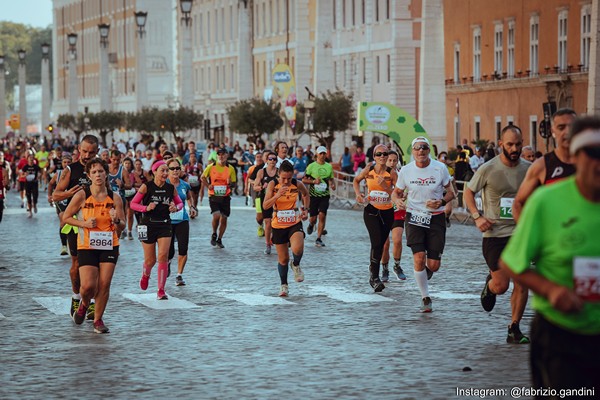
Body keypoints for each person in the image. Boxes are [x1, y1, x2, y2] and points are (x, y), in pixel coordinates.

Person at [499, 115, 600, 391]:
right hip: (560, 334)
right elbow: (511, 262)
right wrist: (551, 290)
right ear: (576, 157)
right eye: (593, 153)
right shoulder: (546, 201)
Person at [463, 125, 531, 343]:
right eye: (510, 144)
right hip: (494, 235)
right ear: (501, 144)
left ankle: (514, 328)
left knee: (522, 282)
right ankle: (490, 286)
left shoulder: (530, 169)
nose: (514, 148)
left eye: (518, 144)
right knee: (501, 286)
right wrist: (477, 216)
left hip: (520, 234)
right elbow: (468, 191)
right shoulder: (488, 168)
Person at [62, 158, 125, 334]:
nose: (98, 175)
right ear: (89, 176)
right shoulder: (82, 195)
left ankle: (98, 320)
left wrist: (116, 220)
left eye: (101, 171)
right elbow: (66, 217)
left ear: (106, 174)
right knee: (88, 286)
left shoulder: (115, 198)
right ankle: (83, 304)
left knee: (104, 284)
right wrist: (84, 224)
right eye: (94, 172)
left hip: (109, 244)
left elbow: (123, 225)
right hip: (87, 245)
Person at [392, 137, 454, 312]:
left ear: (429, 150)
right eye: (417, 148)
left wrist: (441, 201)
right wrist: (398, 201)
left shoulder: (440, 168)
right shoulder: (406, 171)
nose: (421, 151)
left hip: (435, 217)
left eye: (424, 147)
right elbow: (396, 193)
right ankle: (425, 297)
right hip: (414, 217)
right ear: (412, 151)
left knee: (433, 265)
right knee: (418, 257)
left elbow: (452, 192)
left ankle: (424, 273)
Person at [52, 135, 100, 318]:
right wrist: (68, 193)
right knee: (77, 263)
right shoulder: (70, 170)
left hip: (96, 222)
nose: (87, 155)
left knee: (95, 264)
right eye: (84, 151)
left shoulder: (99, 169)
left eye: (91, 152)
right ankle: (76, 296)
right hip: (75, 223)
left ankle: (92, 303)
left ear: (97, 151)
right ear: (79, 149)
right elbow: (55, 195)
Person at [129, 160, 184, 300]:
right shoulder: (146, 187)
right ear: (154, 172)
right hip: (147, 225)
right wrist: (145, 208)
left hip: (165, 224)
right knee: (150, 260)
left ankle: (161, 290)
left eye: (167, 171)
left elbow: (180, 203)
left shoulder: (170, 188)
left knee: (163, 257)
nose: (166, 173)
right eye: (162, 170)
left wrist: (175, 208)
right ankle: (145, 275)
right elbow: (133, 204)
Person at [513, 108, 577, 221]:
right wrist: (529, 234)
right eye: (561, 128)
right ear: (553, 131)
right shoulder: (541, 165)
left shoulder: (592, 163)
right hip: (553, 235)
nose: (567, 132)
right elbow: (518, 203)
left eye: (571, 127)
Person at [353, 144, 398, 292]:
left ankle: (373, 268)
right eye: (379, 154)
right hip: (371, 210)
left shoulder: (392, 173)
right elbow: (356, 180)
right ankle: (374, 277)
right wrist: (358, 194)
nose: (382, 157)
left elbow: (398, 193)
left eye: (385, 154)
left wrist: (385, 186)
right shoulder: (368, 170)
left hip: (387, 212)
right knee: (377, 241)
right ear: (374, 156)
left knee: (381, 245)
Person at [263, 160, 310, 296]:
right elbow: (265, 205)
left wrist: (305, 210)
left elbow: (306, 195)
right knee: (283, 259)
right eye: (283, 178)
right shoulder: (273, 184)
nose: (286, 181)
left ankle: (295, 264)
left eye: (289, 178)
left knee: (298, 248)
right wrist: (277, 195)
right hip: (278, 225)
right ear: (279, 174)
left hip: (294, 222)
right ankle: (284, 285)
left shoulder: (296, 184)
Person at [166, 158, 197, 286]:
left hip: (182, 219)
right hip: (167, 221)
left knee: (183, 248)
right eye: (172, 168)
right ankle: (167, 263)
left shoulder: (184, 185)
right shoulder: (164, 184)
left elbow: (189, 197)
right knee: (170, 250)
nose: (175, 171)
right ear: (167, 171)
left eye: (177, 168)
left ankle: (179, 275)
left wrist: (192, 207)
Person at [201, 147, 237, 248]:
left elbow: (234, 183)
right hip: (214, 196)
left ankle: (219, 239)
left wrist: (231, 184)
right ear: (216, 156)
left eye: (223, 154)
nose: (221, 156)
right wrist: (208, 185)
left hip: (225, 196)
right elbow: (202, 177)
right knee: (216, 216)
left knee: (224, 218)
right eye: (219, 155)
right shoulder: (211, 167)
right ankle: (214, 233)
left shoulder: (230, 168)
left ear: (226, 156)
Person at [381, 150, 407, 281]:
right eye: (389, 160)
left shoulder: (401, 175)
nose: (392, 163)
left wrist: (405, 195)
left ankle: (397, 265)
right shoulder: (379, 174)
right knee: (385, 244)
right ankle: (384, 268)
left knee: (397, 240)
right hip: (383, 211)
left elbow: (404, 191)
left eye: (394, 160)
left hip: (397, 211)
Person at [303, 146, 336, 247]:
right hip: (313, 196)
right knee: (313, 218)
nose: (322, 155)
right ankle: (311, 224)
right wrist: (313, 181)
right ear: (316, 154)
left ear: (326, 155)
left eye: (324, 153)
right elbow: (304, 180)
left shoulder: (329, 167)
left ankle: (318, 238)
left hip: (324, 196)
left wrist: (332, 184)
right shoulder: (311, 166)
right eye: (320, 153)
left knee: (322, 215)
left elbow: (331, 179)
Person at [254, 151, 279, 254]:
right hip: (265, 200)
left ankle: (276, 240)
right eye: (270, 159)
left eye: (274, 159)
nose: (272, 161)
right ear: (267, 161)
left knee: (275, 222)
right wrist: (261, 187)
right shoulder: (261, 172)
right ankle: (268, 244)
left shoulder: (279, 172)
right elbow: (255, 186)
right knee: (267, 222)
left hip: (277, 200)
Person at [48, 153, 73, 254]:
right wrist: (49, 196)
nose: (66, 164)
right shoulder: (58, 174)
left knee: (72, 222)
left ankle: (72, 243)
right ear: (61, 163)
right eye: (64, 162)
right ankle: (63, 246)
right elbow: (50, 184)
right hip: (60, 200)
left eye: (68, 162)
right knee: (63, 220)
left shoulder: (74, 173)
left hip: (72, 200)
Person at [22, 154, 41, 218]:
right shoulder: (25, 167)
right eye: (30, 159)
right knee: (28, 197)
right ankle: (30, 212)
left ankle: (35, 204)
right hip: (28, 183)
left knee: (35, 196)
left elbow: (40, 173)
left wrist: (38, 176)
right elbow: (21, 175)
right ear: (27, 160)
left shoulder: (36, 167)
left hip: (34, 183)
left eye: (32, 159)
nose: (31, 160)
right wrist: (25, 175)